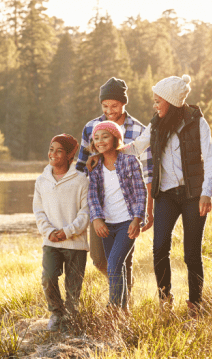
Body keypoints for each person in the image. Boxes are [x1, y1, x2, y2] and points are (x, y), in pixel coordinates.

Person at [90, 74, 212, 318]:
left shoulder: (197, 122)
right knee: (159, 248)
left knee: (192, 253)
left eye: (158, 100)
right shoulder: (157, 124)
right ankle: (164, 297)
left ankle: (195, 303)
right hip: (166, 195)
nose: (155, 105)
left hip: (193, 194)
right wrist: (106, 151)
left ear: (170, 101)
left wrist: (206, 193)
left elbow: (210, 160)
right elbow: (137, 146)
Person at [76, 77, 154, 294]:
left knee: (121, 259)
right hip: (100, 207)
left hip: (128, 207)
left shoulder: (139, 130)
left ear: (124, 103)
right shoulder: (91, 127)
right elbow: (82, 167)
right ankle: (123, 290)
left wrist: (147, 211)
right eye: (105, 106)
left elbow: (148, 172)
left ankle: (120, 307)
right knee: (100, 260)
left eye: (114, 105)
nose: (109, 110)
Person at [86, 121, 147, 313]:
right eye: (96, 138)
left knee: (114, 264)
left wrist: (137, 219)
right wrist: (96, 219)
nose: (100, 141)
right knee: (116, 266)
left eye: (105, 136)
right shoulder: (95, 166)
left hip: (126, 223)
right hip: (107, 225)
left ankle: (112, 308)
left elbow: (140, 192)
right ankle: (123, 310)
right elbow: (92, 195)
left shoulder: (130, 162)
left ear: (115, 138)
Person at [32, 133, 90, 331]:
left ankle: (72, 320)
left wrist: (67, 232)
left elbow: (85, 213)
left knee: (74, 287)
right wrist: (50, 232)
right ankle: (57, 313)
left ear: (69, 156)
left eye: (59, 151)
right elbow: (38, 211)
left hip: (76, 243)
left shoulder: (81, 180)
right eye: (51, 149)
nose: (53, 154)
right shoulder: (41, 181)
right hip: (51, 242)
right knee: (48, 278)